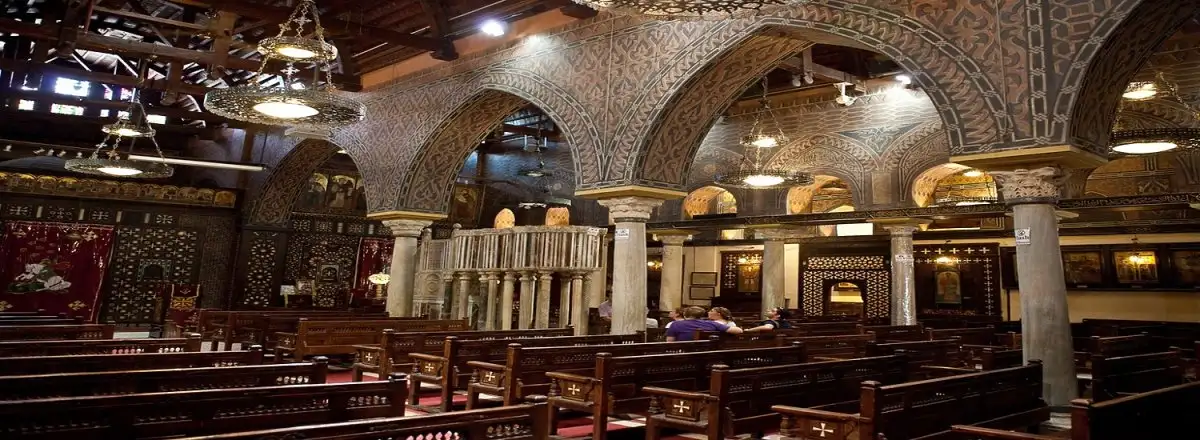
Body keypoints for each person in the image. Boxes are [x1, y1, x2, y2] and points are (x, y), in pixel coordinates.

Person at [665, 306, 744, 341]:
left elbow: (670, 342)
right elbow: (739, 331)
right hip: (708, 353)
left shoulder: (675, 324)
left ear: (685, 315)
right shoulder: (712, 323)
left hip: (685, 353)